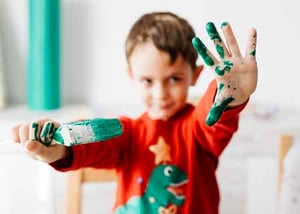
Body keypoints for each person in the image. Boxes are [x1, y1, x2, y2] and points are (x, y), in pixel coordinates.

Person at [11, 11, 257, 214]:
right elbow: (90, 147)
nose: (161, 93)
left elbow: (214, 120)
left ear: (195, 75)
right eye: (148, 81)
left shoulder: (195, 128)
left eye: (174, 78)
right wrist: (59, 148)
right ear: (132, 76)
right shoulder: (127, 133)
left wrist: (230, 94)